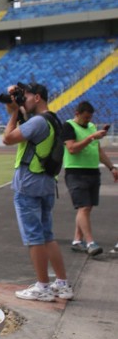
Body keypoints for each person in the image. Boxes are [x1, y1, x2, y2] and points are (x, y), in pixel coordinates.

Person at [0, 82, 73, 302]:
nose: (25, 100)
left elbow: (8, 138)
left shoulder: (38, 122)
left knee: (34, 237)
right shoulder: (52, 119)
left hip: (28, 184)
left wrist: (13, 115)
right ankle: (62, 283)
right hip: (46, 182)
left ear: (37, 97)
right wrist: (16, 108)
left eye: (27, 96)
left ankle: (42, 286)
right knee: (47, 235)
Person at [62, 101, 118, 257]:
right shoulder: (68, 126)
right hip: (76, 172)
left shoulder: (92, 127)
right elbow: (72, 149)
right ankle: (90, 243)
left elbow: (98, 150)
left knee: (86, 208)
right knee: (84, 207)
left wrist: (111, 167)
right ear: (77, 113)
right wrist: (91, 137)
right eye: (85, 118)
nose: (88, 121)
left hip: (93, 172)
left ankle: (77, 241)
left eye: (89, 118)